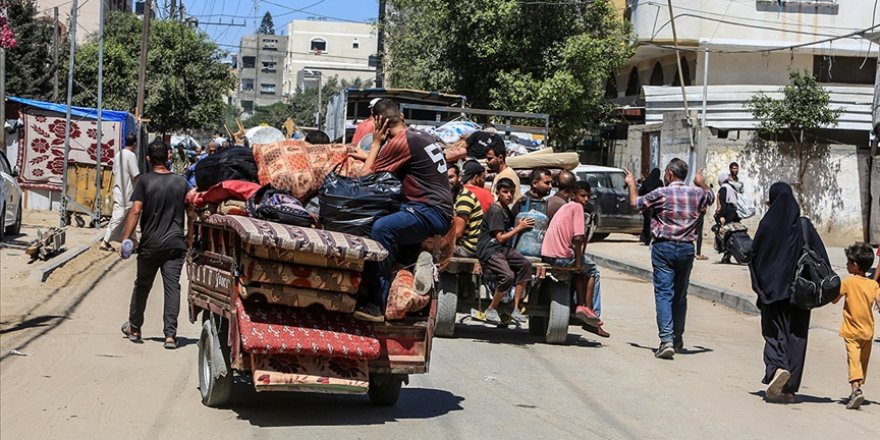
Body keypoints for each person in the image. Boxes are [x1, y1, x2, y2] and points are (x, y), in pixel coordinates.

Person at [352, 98, 453, 322]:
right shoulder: (422, 137)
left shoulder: (400, 141)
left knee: (381, 228)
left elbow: (365, 177)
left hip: (428, 210)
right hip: (436, 210)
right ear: (402, 117)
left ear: (379, 124)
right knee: (391, 225)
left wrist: (376, 142)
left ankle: (375, 305)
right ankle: (415, 263)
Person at [625, 158, 714, 360]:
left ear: (669, 173)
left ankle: (666, 340)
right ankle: (676, 338)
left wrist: (631, 183)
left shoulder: (661, 193)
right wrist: (701, 182)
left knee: (664, 293)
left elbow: (635, 203)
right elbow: (711, 196)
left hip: (663, 247)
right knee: (680, 295)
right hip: (686, 248)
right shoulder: (696, 193)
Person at [749, 182, 829, 403]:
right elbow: (821, 257)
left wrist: (761, 287)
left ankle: (776, 368)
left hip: (772, 293)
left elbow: (754, 259)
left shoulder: (766, 225)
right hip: (801, 293)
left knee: (774, 332)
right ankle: (790, 390)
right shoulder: (804, 226)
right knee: (797, 337)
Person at [119, 140, 193, 349]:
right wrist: (190, 235)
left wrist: (126, 238)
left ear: (148, 159)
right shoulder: (181, 182)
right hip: (175, 245)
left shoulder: (144, 181)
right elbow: (191, 211)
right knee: (172, 288)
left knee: (142, 285)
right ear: (168, 157)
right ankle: (170, 335)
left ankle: (134, 327)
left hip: (150, 245)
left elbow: (135, 210)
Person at [542, 181, 610, 338]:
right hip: (560, 256)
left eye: (587, 196)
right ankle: (591, 313)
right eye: (582, 196)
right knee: (592, 270)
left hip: (549, 254)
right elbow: (578, 238)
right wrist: (578, 262)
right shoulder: (577, 208)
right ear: (574, 195)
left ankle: (581, 306)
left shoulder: (566, 207)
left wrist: (578, 261)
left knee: (581, 270)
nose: (585, 199)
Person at [476, 178, 533, 324]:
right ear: (497, 193)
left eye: (511, 193)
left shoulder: (505, 209)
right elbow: (500, 238)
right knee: (507, 276)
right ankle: (491, 308)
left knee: (525, 265)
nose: (508, 195)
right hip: (490, 249)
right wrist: (519, 228)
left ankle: (514, 306)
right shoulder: (495, 210)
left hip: (501, 249)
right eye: (505, 192)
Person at [832, 243, 879, 410]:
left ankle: (855, 390)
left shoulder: (848, 282)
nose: (846, 265)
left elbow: (834, 299)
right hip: (867, 332)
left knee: (853, 361)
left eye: (848, 262)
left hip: (851, 332)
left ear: (855, 265)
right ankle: (858, 388)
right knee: (861, 363)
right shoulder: (873, 285)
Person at [100, 133, 140, 252]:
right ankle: (105, 241)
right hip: (126, 192)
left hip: (118, 189)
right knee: (119, 216)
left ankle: (135, 243)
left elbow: (114, 172)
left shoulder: (118, 154)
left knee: (129, 217)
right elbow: (135, 175)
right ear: (134, 144)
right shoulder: (131, 156)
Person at [447, 164, 483, 258]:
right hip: (461, 243)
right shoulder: (453, 196)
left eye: (451, 177)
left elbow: (458, 232)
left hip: (467, 247)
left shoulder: (464, 198)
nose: (447, 181)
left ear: (459, 177)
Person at [714, 171, 743, 264]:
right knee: (730, 234)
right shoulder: (731, 188)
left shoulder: (723, 189)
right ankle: (727, 256)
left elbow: (723, 204)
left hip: (727, 214)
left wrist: (722, 216)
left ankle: (726, 255)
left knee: (724, 234)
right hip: (735, 213)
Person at [638, 168, 663, 245]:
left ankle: (646, 238)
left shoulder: (646, 181)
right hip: (655, 206)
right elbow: (662, 192)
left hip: (646, 205)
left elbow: (640, 191)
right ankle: (653, 237)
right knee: (655, 221)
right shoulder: (659, 182)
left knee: (646, 222)